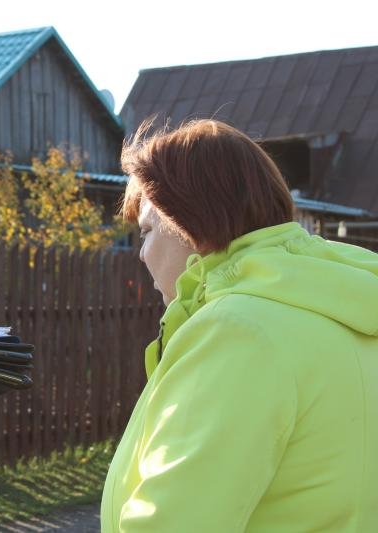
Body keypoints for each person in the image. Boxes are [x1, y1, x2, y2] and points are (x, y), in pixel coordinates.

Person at [101, 119, 378, 531]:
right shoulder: (345, 307)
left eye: (145, 232)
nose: (141, 254)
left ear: (186, 223)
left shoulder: (237, 332)